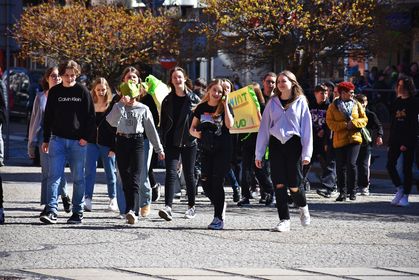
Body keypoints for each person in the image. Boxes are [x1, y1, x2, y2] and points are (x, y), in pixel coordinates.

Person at [255, 70, 313, 232]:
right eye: (278, 81)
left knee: (294, 184)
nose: (280, 84)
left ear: (292, 83)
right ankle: (284, 220)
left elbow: (307, 129)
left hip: (294, 144)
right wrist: (259, 153)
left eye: (283, 81)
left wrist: (307, 153)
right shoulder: (272, 102)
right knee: (279, 183)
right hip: (276, 144)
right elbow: (264, 129)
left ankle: (303, 207)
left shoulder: (301, 101)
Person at [40, 60, 96, 224]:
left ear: (76, 74)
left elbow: (91, 117)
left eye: (73, 75)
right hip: (57, 140)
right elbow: (48, 116)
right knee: (54, 177)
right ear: (62, 75)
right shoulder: (55, 92)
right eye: (66, 75)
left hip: (78, 143)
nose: (70, 78)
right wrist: (45, 139)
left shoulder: (82, 91)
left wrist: (86, 137)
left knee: (78, 178)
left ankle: (77, 212)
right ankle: (51, 211)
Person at [106, 80, 164, 224]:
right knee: (125, 177)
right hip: (122, 141)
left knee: (136, 177)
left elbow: (151, 130)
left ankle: (133, 211)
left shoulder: (143, 109)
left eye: (133, 97)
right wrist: (120, 104)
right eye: (128, 97)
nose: (131, 100)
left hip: (137, 142)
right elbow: (111, 122)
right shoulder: (118, 106)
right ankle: (128, 209)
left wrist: (159, 149)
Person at [190, 79, 234, 230]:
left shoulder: (225, 107)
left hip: (223, 150)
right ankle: (220, 204)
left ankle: (218, 218)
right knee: (206, 185)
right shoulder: (201, 108)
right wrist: (200, 136)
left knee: (217, 182)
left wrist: (226, 103)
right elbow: (192, 129)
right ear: (209, 90)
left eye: (220, 92)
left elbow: (230, 125)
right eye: (214, 90)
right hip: (206, 150)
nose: (216, 94)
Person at [158, 66, 200, 221]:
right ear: (171, 80)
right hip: (171, 142)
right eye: (174, 77)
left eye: (179, 77)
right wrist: (162, 143)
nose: (177, 80)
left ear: (185, 78)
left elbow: (199, 120)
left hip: (189, 141)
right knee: (170, 173)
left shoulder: (194, 99)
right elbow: (163, 125)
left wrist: (197, 135)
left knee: (189, 174)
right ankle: (168, 207)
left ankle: (191, 207)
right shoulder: (167, 100)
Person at [27, 67, 71, 214]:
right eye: (53, 76)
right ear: (47, 78)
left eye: (59, 76)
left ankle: (63, 195)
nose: (56, 78)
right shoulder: (40, 97)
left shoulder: (66, 96)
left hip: (62, 138)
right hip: (44, 139)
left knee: (58, 172)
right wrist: (31, 143)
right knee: (47, 172)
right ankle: (49, 205)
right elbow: (35, 120)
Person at [326, 81, 367, 202]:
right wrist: (344, 125)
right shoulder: (333, 106)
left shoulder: (357, 104)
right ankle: (342, 193)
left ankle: (352, 191)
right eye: (351, 92)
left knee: (351, 164)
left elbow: (364, 119)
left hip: (354, 138)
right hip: (340, 140)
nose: (353, 95)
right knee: (340, 167)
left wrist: (353, 123)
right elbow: (330, 122)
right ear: (343, 93)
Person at [84, 77, 118, 212]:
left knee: (110, 172)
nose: (101, 92)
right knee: (89, 172)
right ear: (94, 90)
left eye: (103, 89)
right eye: (98, 90)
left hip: (107, 143)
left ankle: (113, 199)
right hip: (91, 143)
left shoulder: (112, 105)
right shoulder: (90, 104)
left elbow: (116, 127)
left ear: (107, 90)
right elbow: (85, 123)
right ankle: (87, 199)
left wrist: (114, 147)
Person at [238, 82, 274, 207]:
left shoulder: (264, 107)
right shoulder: (243, 109)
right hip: (247, 142)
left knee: (261, 171)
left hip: (261, 143)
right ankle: (245, 196)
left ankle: (270, 192)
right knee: (246, 171)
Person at [387, 75, 418, 207]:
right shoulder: (397, 101)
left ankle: (405, 195)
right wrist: (390, 141)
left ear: (408, 88)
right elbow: (393, 122)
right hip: (395, 138)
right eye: (398, 86)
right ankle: (399, 188)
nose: (399, 88)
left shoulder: (414, 102)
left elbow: (414, 125)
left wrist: (407, 142)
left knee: (407, 169)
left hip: (408, 140)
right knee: (390, 165)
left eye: (401, 86)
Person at [304, 84, 337, 198]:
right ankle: (300, 183)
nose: (324, 95)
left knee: (327, 164)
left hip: (325, 140)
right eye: (322, 93)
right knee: (306, 162)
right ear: (316, 94)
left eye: (326, 93)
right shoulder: (310, 106)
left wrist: (325, 134)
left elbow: (331, 124)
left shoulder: (330, 106)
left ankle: (329, 187)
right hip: (312, 140)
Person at [355, 94, 383, 196]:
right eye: (359, 102)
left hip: (366, 144)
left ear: (366, 103)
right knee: (353, 164)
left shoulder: (370, 114)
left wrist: (379, 136)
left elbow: (378, 126)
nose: (361, 104)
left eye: (363, 102)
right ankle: (354, 185)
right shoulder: (353, 114)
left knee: (364, 165)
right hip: (354, 143)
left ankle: (364, 187)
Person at [221, 78, 240, 202]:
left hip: (230, 139)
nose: (224, 91)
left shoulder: (232, 105)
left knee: (226, 164)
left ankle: (236, 187)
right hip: (214, 139)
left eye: (227, 88)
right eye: (222, 88)